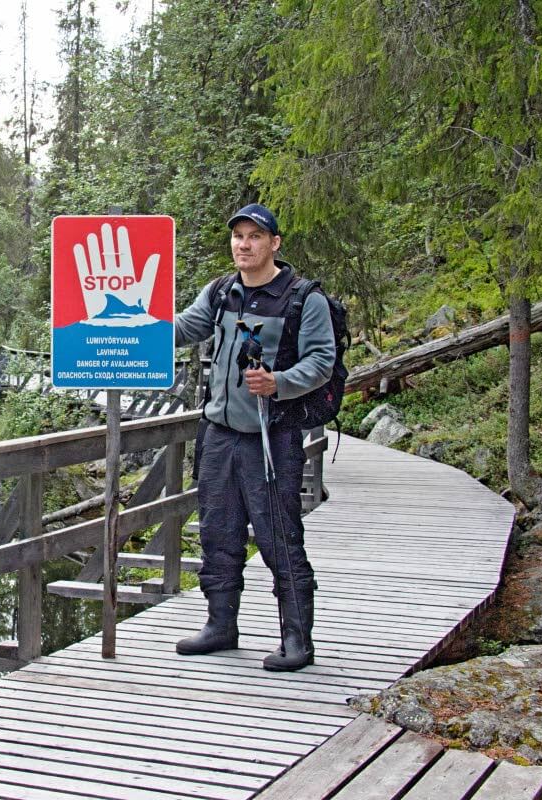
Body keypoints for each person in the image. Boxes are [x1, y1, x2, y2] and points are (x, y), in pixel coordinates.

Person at [172, 203, 335, 671]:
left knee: (277, 535)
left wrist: (278, 382)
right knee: (217, 532)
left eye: (254, 237)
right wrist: (132, 327)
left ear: (274, 243)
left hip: (271, 435)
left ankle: (296, 639)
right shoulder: (222, 292)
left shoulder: (304, 299)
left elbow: (321, 362)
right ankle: (220, 625)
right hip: (219, 434)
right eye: (238, 237)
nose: (244, 245)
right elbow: (186, 328)